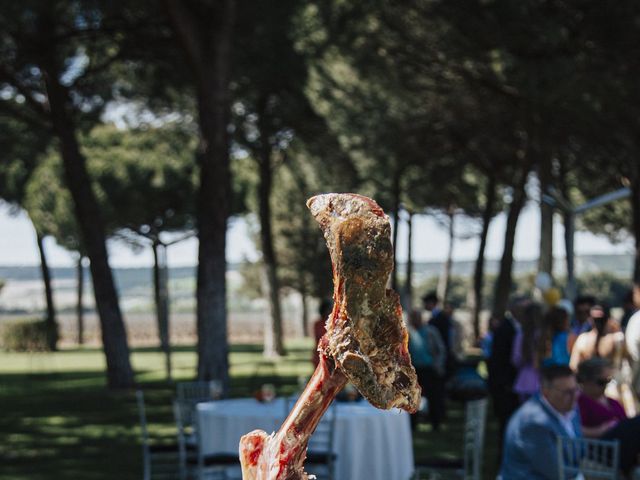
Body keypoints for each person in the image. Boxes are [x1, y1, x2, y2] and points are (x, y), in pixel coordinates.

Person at [499, 364, 582, 480]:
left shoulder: (570, 409)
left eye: (576, 390)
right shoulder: (534, 422)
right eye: (567, 392)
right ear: (546, 391)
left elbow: (579, 451)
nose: (574, 397)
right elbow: (556, 472)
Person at [487, 297, 529, 460]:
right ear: (513, 310)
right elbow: (498, 360)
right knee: (506, 423)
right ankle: (504, 457)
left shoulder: (519, 328)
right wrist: (504, 384)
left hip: (513, 384)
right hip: (506, 385)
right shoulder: (505, 329)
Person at [407, 309, 446, 430]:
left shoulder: (431, 331)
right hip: (414, 370)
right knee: (412, 399)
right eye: (413, 317)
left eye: (417, 317)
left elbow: (441, 349)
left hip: (430, 369)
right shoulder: (407, 332)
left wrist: (438, 365)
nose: (415, 320)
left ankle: (436, 423)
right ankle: (412, 424)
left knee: (434, 397)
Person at [576, 357, 626, 437]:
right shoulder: (577, 403)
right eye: (601, 382)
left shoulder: (613, 402)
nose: (605, 386)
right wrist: (600, 430)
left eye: (608, 381)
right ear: (586, 380)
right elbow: (570, 429)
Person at [569, 304, 625, 371]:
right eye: (596, 319)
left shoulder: (617, 339)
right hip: (593, 378)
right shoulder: (583, 339)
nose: (598, 322)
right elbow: (574, 366)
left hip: (605, 378)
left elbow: (573, 366)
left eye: (600, 319)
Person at [511, 303, 544, 402]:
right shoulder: (544, 335)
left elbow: (515, 360)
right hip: (542, 381)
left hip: (524, 381)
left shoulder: (520, 335)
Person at [311, 299, 332, 367]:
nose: (329, 312)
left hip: (330, 357)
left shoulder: (333, 323)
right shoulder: (318, 324)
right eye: (328, 309)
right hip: (320, 355)